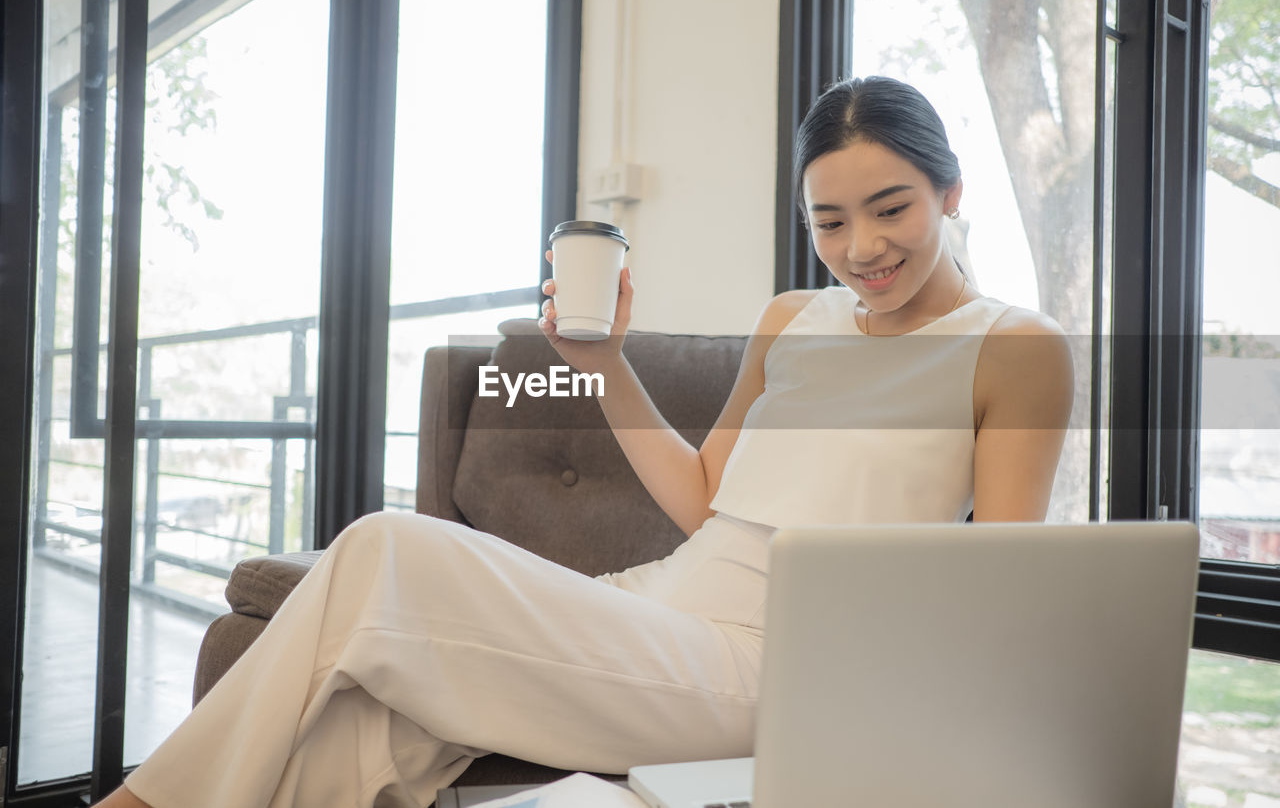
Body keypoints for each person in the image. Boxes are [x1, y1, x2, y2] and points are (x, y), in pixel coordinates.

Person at [95, 75, 1071, 808]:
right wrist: (598, 360)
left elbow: (992, 587)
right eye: (829, 220)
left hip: (775, 665)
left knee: (384, 547)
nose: (861, 247)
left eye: (889, 207)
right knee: (362, 717)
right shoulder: (790, 317)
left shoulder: (1011, 347)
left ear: (948, 191)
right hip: (654, 611)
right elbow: (700, 499)